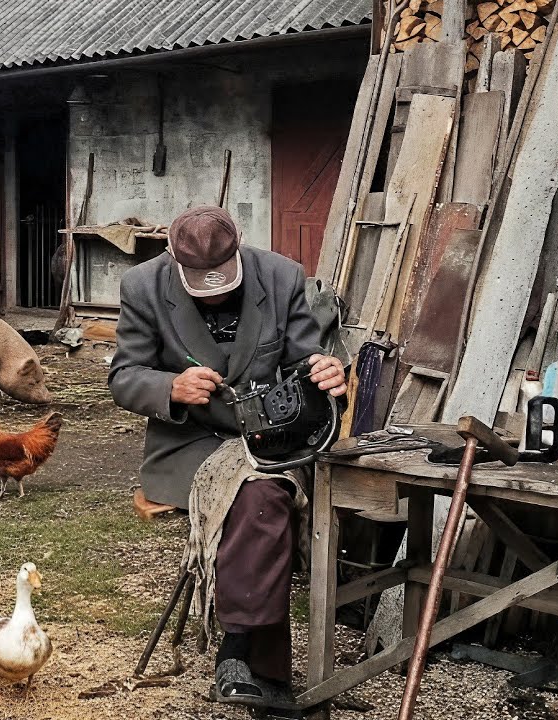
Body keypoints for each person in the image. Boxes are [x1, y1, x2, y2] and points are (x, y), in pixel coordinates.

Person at [109, 206, 346, 717]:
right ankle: (253, 661)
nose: (215, 293)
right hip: (190, 441)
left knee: (264, 495)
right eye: (201, 284)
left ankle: (238, 650)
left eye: (223, 279)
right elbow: (124, 376)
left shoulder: (281, 276)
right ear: (173, 258)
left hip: (271, 437)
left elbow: (304, 362)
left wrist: (325, 374)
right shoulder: (142, 286)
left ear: (239, 248)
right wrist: (169, 386)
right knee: (258, 498)